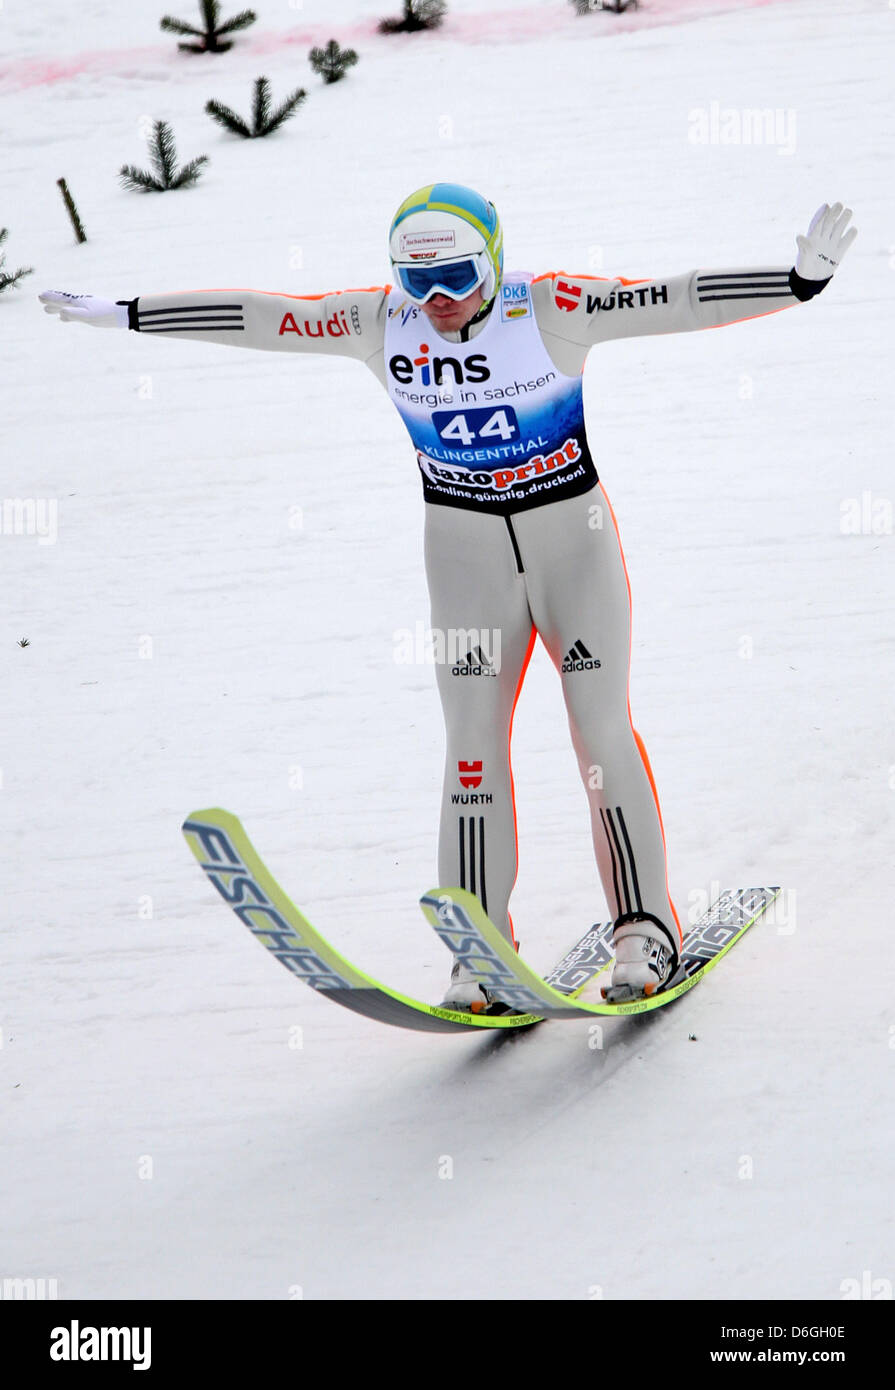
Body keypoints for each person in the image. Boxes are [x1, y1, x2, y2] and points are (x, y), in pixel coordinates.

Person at [39, 185, 856, 1011]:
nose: (435, 302)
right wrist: (126, 313)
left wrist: (795, 281)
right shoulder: (376, 321)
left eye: (457, 276)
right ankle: (479, 945)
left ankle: (644, 931)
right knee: (469, 744)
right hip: (464, 557)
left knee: (598, 728)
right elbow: (261, 313)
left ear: (492, 262)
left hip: (573, 545)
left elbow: (672, 300)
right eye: (414, 280)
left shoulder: (548, 307)